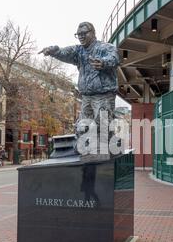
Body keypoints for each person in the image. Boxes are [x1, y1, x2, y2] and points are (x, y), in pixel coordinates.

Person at [39, 22, 120, 157]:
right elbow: (64, 52)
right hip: (87, 96)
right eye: (78, 34)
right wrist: (53, 51)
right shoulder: (78, 51)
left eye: (84, 34)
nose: (81, 37)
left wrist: (104, 63)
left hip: (104, 94)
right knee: (83, 125)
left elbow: (114, 57)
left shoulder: (105, 47)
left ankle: (105, 148)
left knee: (102, 121)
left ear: (92, 33)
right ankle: (88, 147)